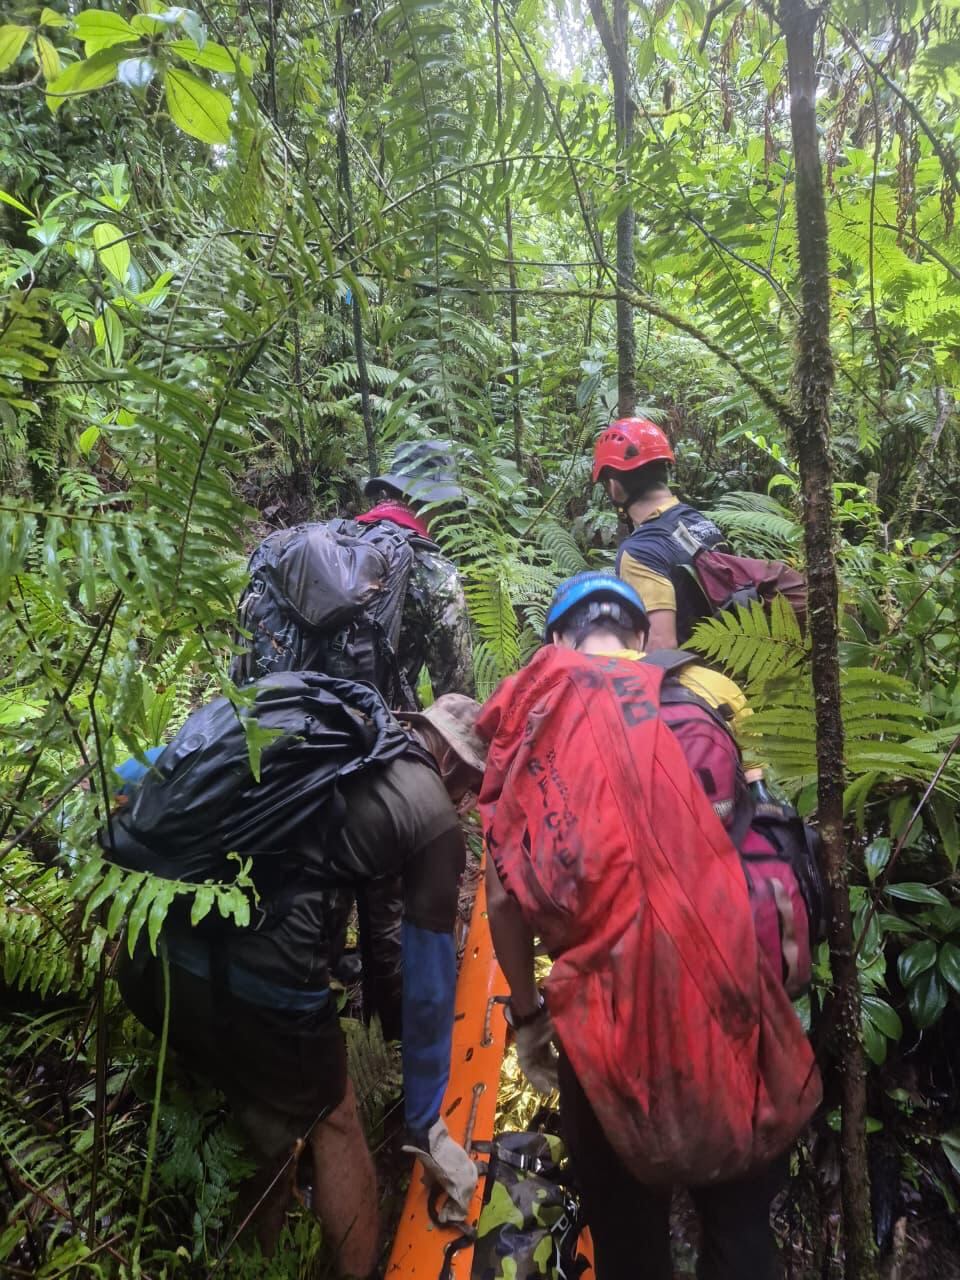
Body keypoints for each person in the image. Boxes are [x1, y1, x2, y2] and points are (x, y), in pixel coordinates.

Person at [477, 573, 819, 1280]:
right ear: (640, 636)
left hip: (606, 1021)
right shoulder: (703, 699)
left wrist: (530, 1013)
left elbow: (505, 899)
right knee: (738, 1214)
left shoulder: (536, 727)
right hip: (729, 998)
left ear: (557, 642)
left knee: (629, 1231)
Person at [114, 691, 487, 1278]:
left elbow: (162, 766)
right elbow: (430, 986)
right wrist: (424, 1121)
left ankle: (254, 1256)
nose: (468, 804)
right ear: (457, 768)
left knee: (264, 1103)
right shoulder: (435, 817)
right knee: (332, 1115)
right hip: (252, 969)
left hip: (151, 942)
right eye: (472, 790)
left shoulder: (335, 740)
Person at [592, 417, 725, 649]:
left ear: (614, 486)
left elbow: (661, 647)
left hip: (693, 678)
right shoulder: (698, 520)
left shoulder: (640, 553)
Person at [361, 439, 475, 700]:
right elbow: (457, 696)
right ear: (436, 503)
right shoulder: (435, 575)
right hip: (383, 730)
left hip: (302, 717)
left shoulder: (341, 543)